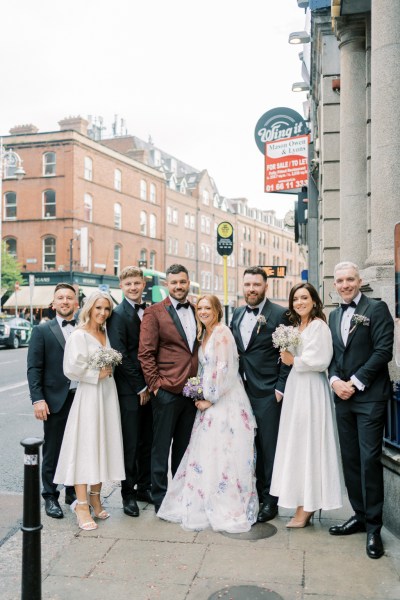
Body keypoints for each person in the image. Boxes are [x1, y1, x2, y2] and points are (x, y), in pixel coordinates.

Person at [158, 295, 258, 532]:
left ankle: (227, 502)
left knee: (225, 451)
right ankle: (206, 497)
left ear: (217, 310)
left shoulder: (222, 333)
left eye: (207, 308)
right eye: (200, 308)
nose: (203, 311)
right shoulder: (205, 334)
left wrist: (208, 399)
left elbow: (225, 370)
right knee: (208, 451)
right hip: (210, 399)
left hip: (225, 401)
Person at [328, 261, 394, 559]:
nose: (345, 285)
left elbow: (383, 351)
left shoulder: (375, 309)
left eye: (350, 279)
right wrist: (333, 381)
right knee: (351, 459)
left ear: (360, 280)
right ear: (335, 284)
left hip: (369, 397)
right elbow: (332, 355)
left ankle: (374, 529)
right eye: (340, 280)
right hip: (342, 397)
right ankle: (358, 515)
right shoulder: (332, 315)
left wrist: (353, 382)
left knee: (369, 460)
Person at [270, 282, 343, 527]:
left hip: (311, 388)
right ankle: (301, 499)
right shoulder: (295, 326)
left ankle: (308, 506)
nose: (299, 302)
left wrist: (293, 360)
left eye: (304, 298)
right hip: (296, 388)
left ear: (314, 300)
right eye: (295, 299)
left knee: (311, 443)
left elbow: (321, 360)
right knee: (298, 444)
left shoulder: (318, 326)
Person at [54, 291, 125, 531]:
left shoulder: (106, 333)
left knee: (103, 444)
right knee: (86, 447)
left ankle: (96, 496)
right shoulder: (79, 335)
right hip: (89, 395)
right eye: (99, 308)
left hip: (107, 394)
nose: (103, 313)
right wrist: (98, 373)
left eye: (106, 309)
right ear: (89, 309)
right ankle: (81, 504)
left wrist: (108, 371)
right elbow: (70, 368)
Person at [230, 266, 290, 523]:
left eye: (256, 284)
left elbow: (288, 354)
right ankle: (249, 495)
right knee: (246, 446)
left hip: (268, 392)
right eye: (247, 285)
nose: (251, 289)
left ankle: (269, 500)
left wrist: (280, 388)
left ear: (266, 286)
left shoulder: (279, 314)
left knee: (268, 447)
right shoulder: (236, 313)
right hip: (239, 391)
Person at [138, 264, 198, 513]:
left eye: (182, 282)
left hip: (192, 393)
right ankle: (161, 498)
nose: (179, 286)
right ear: (166, 284)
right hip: (166, 392)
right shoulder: (154, 312)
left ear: (188, 282)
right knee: (161, 447)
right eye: (174, 282)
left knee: (185, 449)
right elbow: (145, 353)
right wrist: (155, 387)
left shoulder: (197, 310)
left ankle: (181, 494)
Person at [27, 283, 78, 519]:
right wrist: (38, 400)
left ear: (77, 304)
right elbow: (34, 368)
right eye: (61, 298)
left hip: (81, 398)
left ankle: (73, 493)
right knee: (53, 449)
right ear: (53, 304)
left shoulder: (85, 329)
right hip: (55, 399)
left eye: (69, 297)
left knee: (77, 447)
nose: (65, 301)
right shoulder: (42, 330)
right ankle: (50, 496)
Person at [107, 266, 152, 518]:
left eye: (136, 283)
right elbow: (121, 355)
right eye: (128, 284)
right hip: (130, 390)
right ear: (121, 287)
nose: (133, 288)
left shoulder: (152, 310)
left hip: (153, 387)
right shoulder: (117, 314)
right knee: (131, 444)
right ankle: (128, 493)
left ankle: (146, 487)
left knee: (149, 441)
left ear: (143, 284)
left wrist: (152, 384)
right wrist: (140, 387)